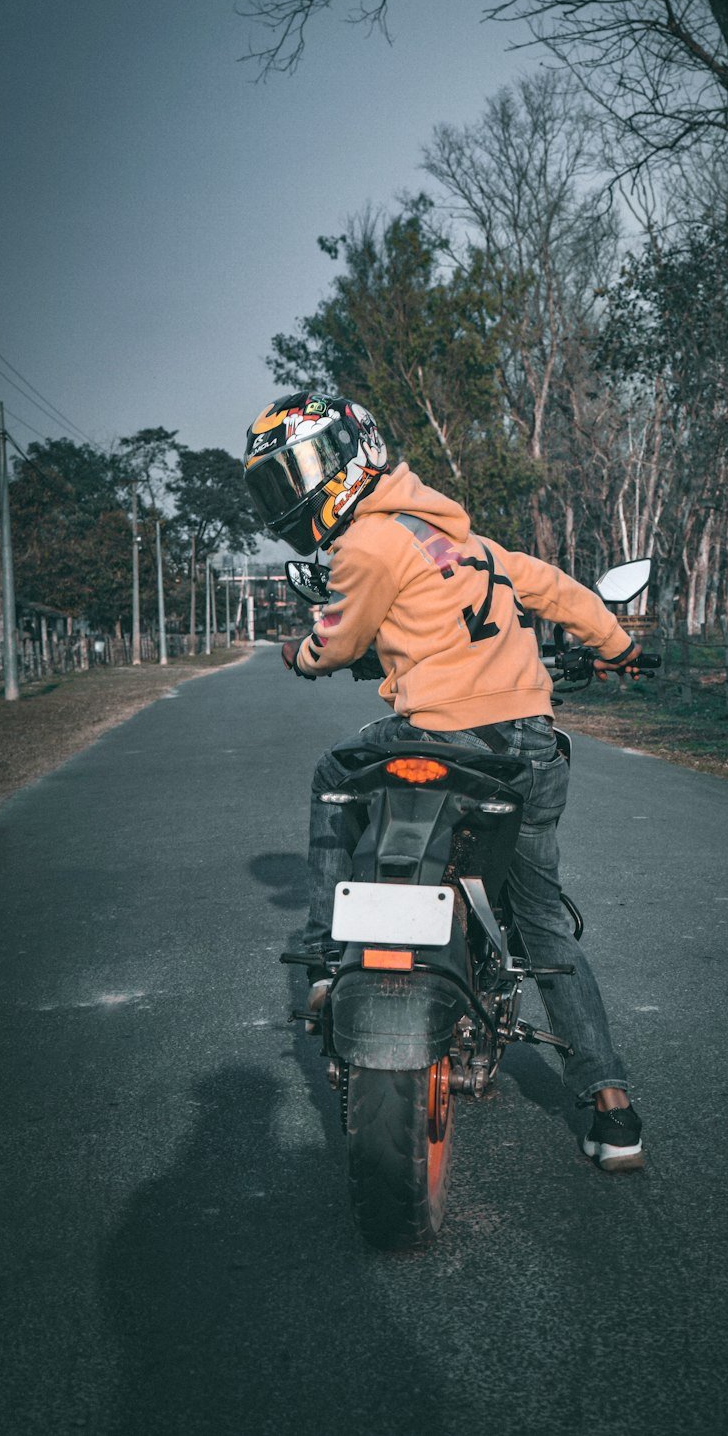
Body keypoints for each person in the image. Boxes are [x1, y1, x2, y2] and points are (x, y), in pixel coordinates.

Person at [244, 390, 646, 1171]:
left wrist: (300, 653)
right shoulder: (474, 545)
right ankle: (612, 1106)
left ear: (353, 456)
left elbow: (338, 639)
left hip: (436, 733)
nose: (297, 488)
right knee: (543, 922)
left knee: (334, 772)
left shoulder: (365, 544)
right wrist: (620, 648)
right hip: (525, 749)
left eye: (301, 468)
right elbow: (560, 592)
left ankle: (327, 953)